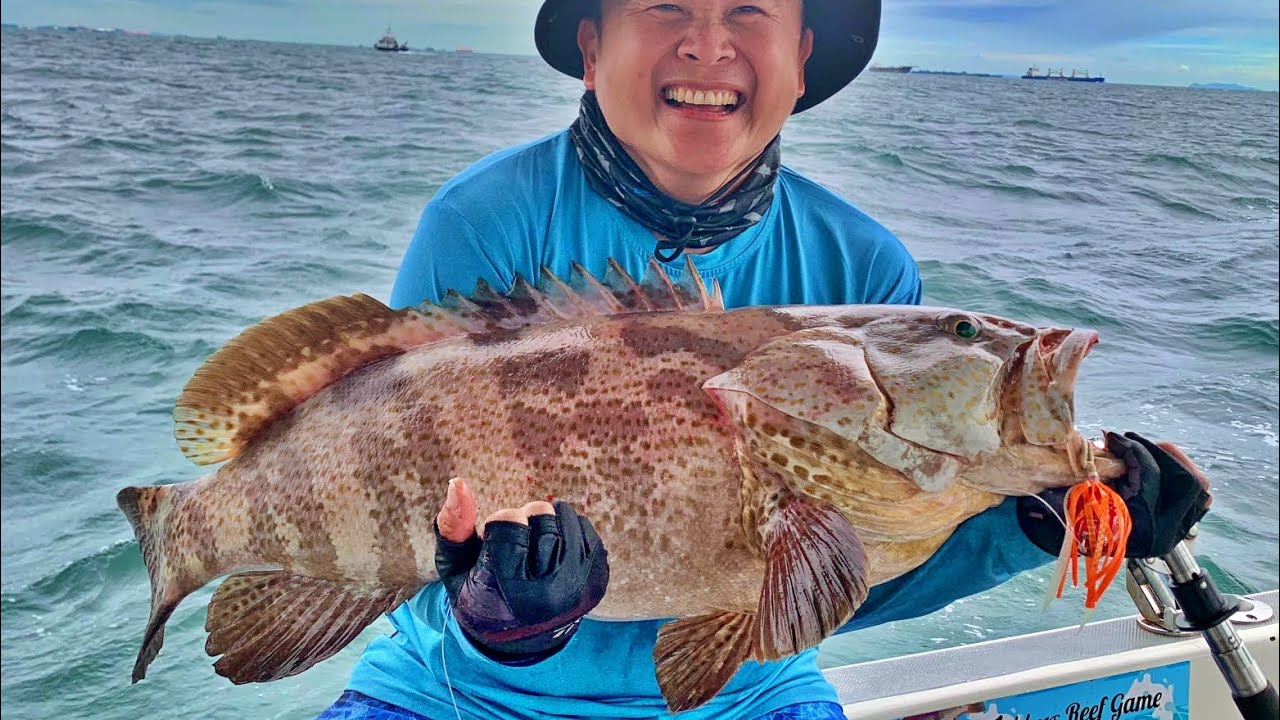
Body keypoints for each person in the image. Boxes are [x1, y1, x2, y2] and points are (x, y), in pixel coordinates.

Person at [315, 1, 1212, 718]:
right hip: (462, 692)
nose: (708, 46)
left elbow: (846, 576)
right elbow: (389, 499)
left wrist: (1031, 527)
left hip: (753, 697)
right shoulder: (483, 221)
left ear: (801, 57)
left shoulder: (864, 265)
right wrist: (493, 617)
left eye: (748, 12)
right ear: (592, 48)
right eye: (668, 8)